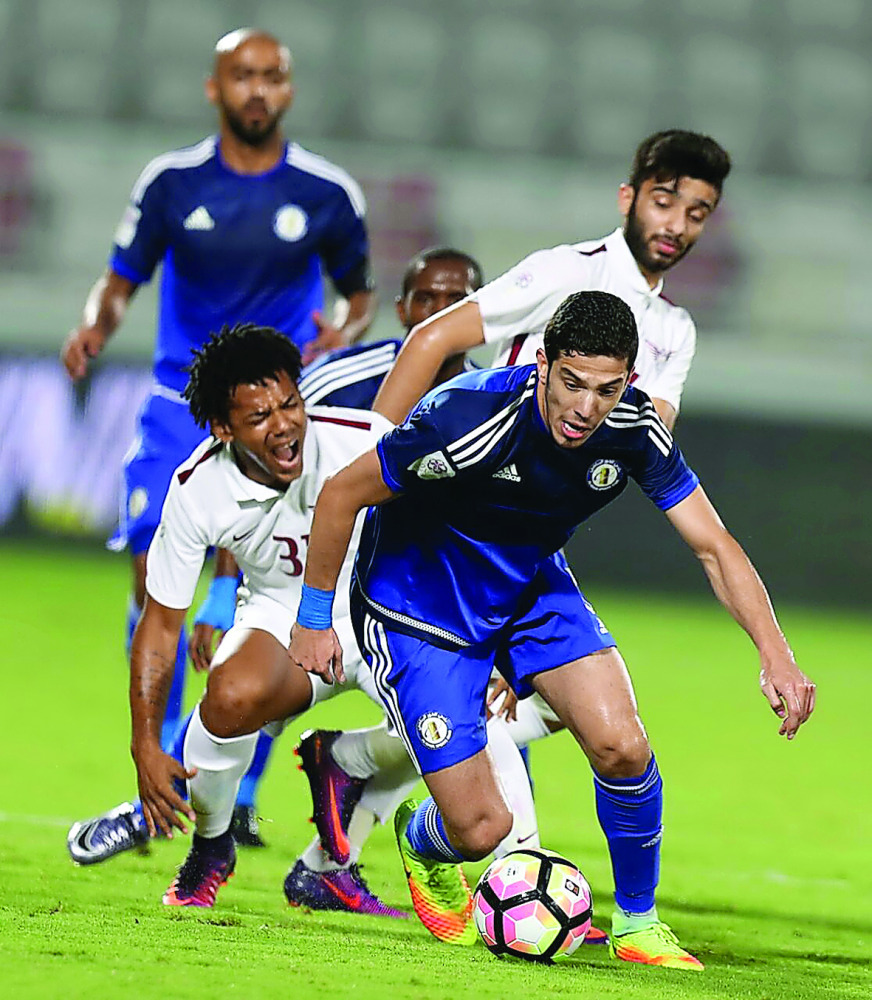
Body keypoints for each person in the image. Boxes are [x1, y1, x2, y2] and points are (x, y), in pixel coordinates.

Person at [288, 291, 815, 968]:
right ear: (543, 364)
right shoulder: (468, 416)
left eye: (606, 388)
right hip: (419, 605)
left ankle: (637, 923)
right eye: (571, 382)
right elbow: (341, 494)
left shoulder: (635, 430)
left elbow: (712, 543)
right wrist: (311, 620)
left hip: (530, 584)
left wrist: (777, 655)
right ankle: (422, 837)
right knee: (482, 829)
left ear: (628, 381)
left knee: (622, 744)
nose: (585, 407)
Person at [61, 27, 375, 859]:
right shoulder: (171, 183)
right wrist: (96, 326)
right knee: (153, 575)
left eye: (273, 76)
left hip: (278, 413)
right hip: (178, 404)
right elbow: (120, 273)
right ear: (215, 88)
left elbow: (362, 295)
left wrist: (340, 331)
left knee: (271, 590)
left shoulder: (326, 192)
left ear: (289, 89)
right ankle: (163, 760)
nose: (259, 90)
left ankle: (233, 791)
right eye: (244, 76)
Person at [122, 321, 531, 914]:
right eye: (259, 416)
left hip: (395, 611)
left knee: (479, 821)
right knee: (231, 695)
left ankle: (348, 768)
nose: (285, 424)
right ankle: (212, 848)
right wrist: (144, 744)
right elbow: (159, 625)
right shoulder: (196, 489)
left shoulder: (365, 438)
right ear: (222, 428)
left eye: (290, 403)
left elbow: (456, 536)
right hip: (285, 615)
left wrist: (486, 646)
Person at [371, 129, 730, 431]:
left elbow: (651, 435)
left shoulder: (677, 329)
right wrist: (371, 461)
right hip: (478, 489)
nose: (677, 227)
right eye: (663, 204)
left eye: (696, 215)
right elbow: (431, 338)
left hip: (553, 508)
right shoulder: (569, 270)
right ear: (627, 198)